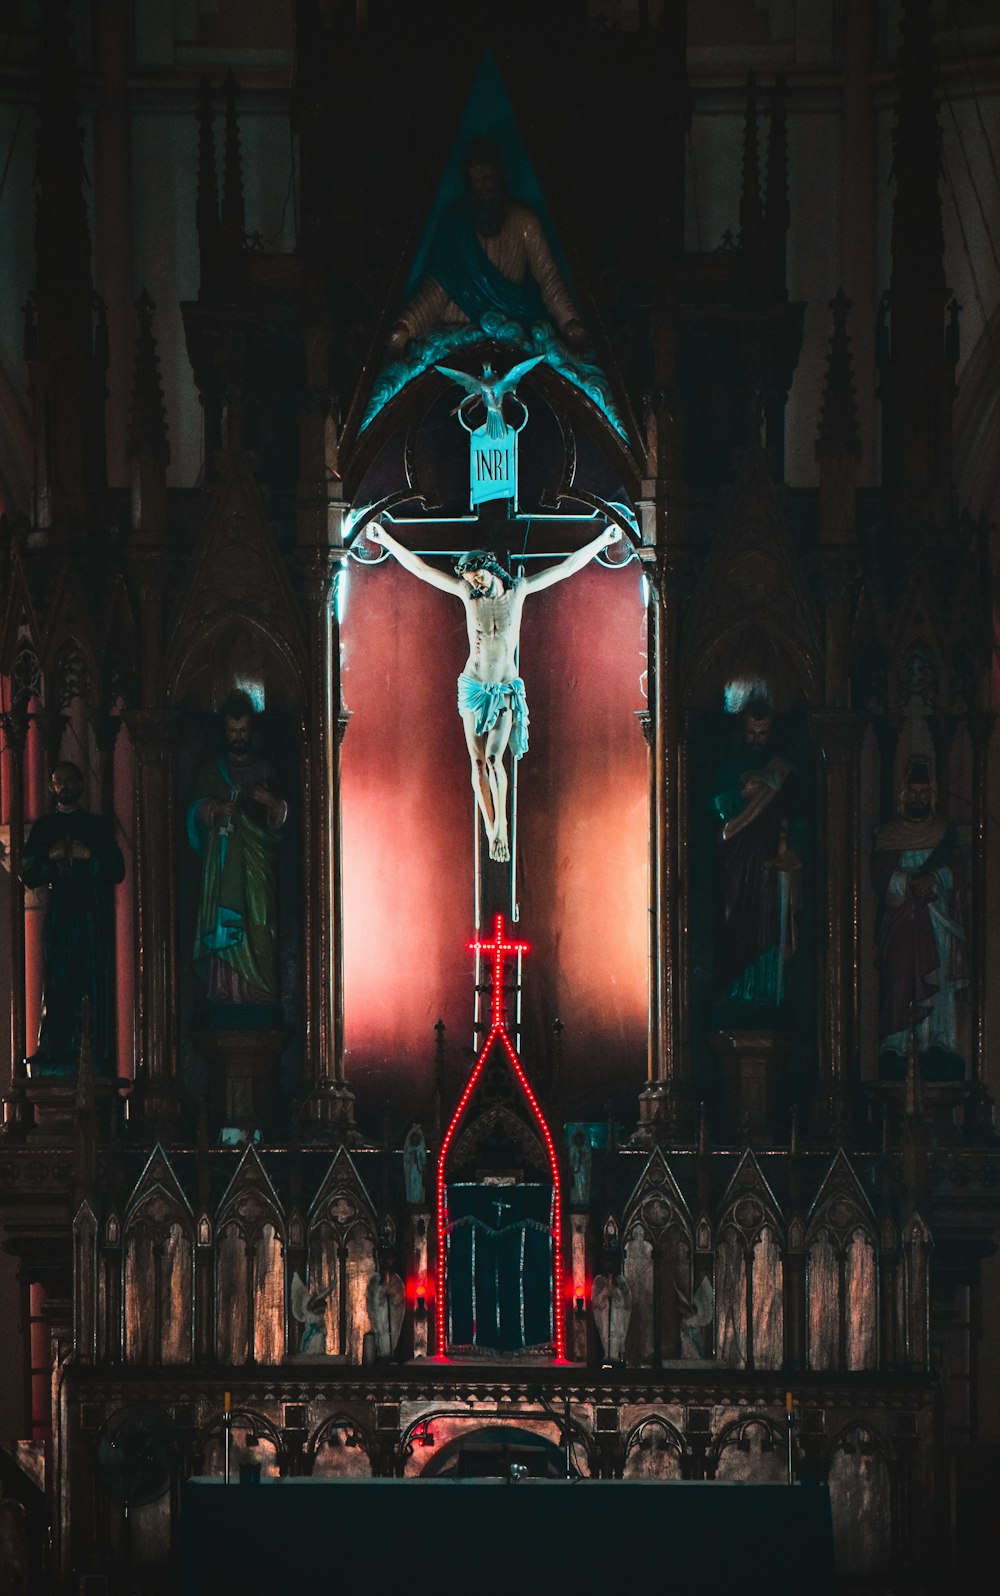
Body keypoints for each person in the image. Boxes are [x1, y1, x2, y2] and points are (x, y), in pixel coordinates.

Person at [366, 521, 619, 861]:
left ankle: (502, 824)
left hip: (503, 689)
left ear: (490, 568)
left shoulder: (519, 592)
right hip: (473, 686)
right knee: (477, 760)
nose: (477, 586)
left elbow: (566, 567)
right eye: (472, 582)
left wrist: (604, 539)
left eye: (480, 578)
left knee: (493, 757)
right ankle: (489, 828)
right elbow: (421, 569)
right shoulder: (469, 597)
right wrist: (386, 540)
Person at [387, 137, 587, 354]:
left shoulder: (525, 223)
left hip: (512, 334)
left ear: (500, 178)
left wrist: (569, 321)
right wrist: (406, 325)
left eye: (488, 178)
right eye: (476, 182)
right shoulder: (455, 226)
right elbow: (436, 288)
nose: (483, 187)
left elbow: (549, 279)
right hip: (458, 336)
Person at [20, 761, 125, 1075]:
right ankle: (56, 1046)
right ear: (51, 787)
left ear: (80, 785)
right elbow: (28, 871)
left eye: (70, 781)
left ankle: (92, 1047)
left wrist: (88, 857)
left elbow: (115, 868)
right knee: (58, 977)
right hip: (61, 910)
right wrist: (51, 860)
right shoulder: (44, 828)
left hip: (91, 910)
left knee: (91, 976)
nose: (64, 786)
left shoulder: (95, 826)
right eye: (58, 781)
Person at [187, 690, 288, 1015]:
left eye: (243, 731)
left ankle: (259, 990)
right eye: (232, 732)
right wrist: (214, 808)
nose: (237, 738)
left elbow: (282, 822)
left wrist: (270, 803)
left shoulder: (265, 770)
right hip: (222, 863)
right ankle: (224, 992)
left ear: (252, 731)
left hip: (257, 866)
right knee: (226, 920)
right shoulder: (211, 771)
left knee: (258, 919)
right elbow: (193, 813)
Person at [872, 757, 967, 1073]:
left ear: (934, 794)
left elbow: (960, 870)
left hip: (936, 919)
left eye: (924, 792)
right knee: (900, 976)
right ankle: (899, 1042)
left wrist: (937, 879)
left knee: (938, 981)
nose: (918, 798)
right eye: (912, 792)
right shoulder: (889, 835)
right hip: (900, 921)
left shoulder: (943, 834)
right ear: (902, 794)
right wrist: (906, 882)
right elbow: (881, 873)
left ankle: (938, 1041)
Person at [712, 699, 802, 1017]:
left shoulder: (783, 770)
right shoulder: (728, 768)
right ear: (742, 729)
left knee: (769, 926)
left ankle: (766, 991)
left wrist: (791, 849)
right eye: (751, 731)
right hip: (737, 862)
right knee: (735, 918)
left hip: (769, 864)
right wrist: (742, 791)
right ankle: (739, 989)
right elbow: (720, 810)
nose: (756, 738)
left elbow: (797, 816)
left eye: (762, 733)